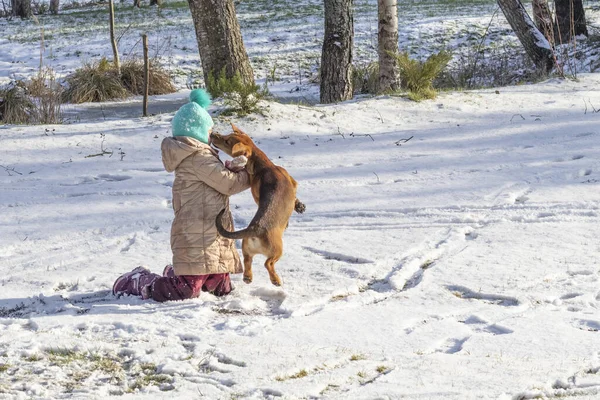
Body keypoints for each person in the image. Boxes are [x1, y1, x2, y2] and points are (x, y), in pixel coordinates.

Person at [112, 89, 250, 302]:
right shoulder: (198, 158)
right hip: (195, 234)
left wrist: (231, 167)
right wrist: (249, 173)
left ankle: (176, 274)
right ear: (200, 132)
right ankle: (139, 281)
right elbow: (228, 184)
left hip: (210, 232)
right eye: (210, 132)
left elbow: (217, 179)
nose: (212, 137)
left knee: (221, 288)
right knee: (185, 292)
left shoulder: (201, 157)